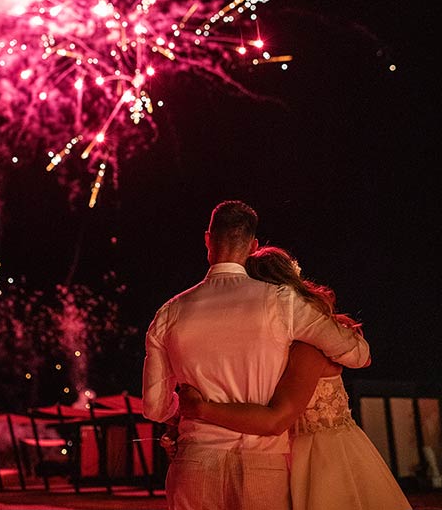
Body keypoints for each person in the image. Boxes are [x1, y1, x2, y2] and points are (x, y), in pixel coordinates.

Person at [142, 200, 370, 510]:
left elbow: (154, 408)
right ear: (253, 246)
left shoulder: (169, 313)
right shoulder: (281, 302)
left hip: (194, 464)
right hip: (261, 465)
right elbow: (358, 356)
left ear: (208, 239)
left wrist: (185, 406)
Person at [177, 246, 412, 510]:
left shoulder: (307, 349)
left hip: (321, 462)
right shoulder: (286, 346)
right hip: (287, 454)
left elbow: (276, 418)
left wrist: (200, 409)